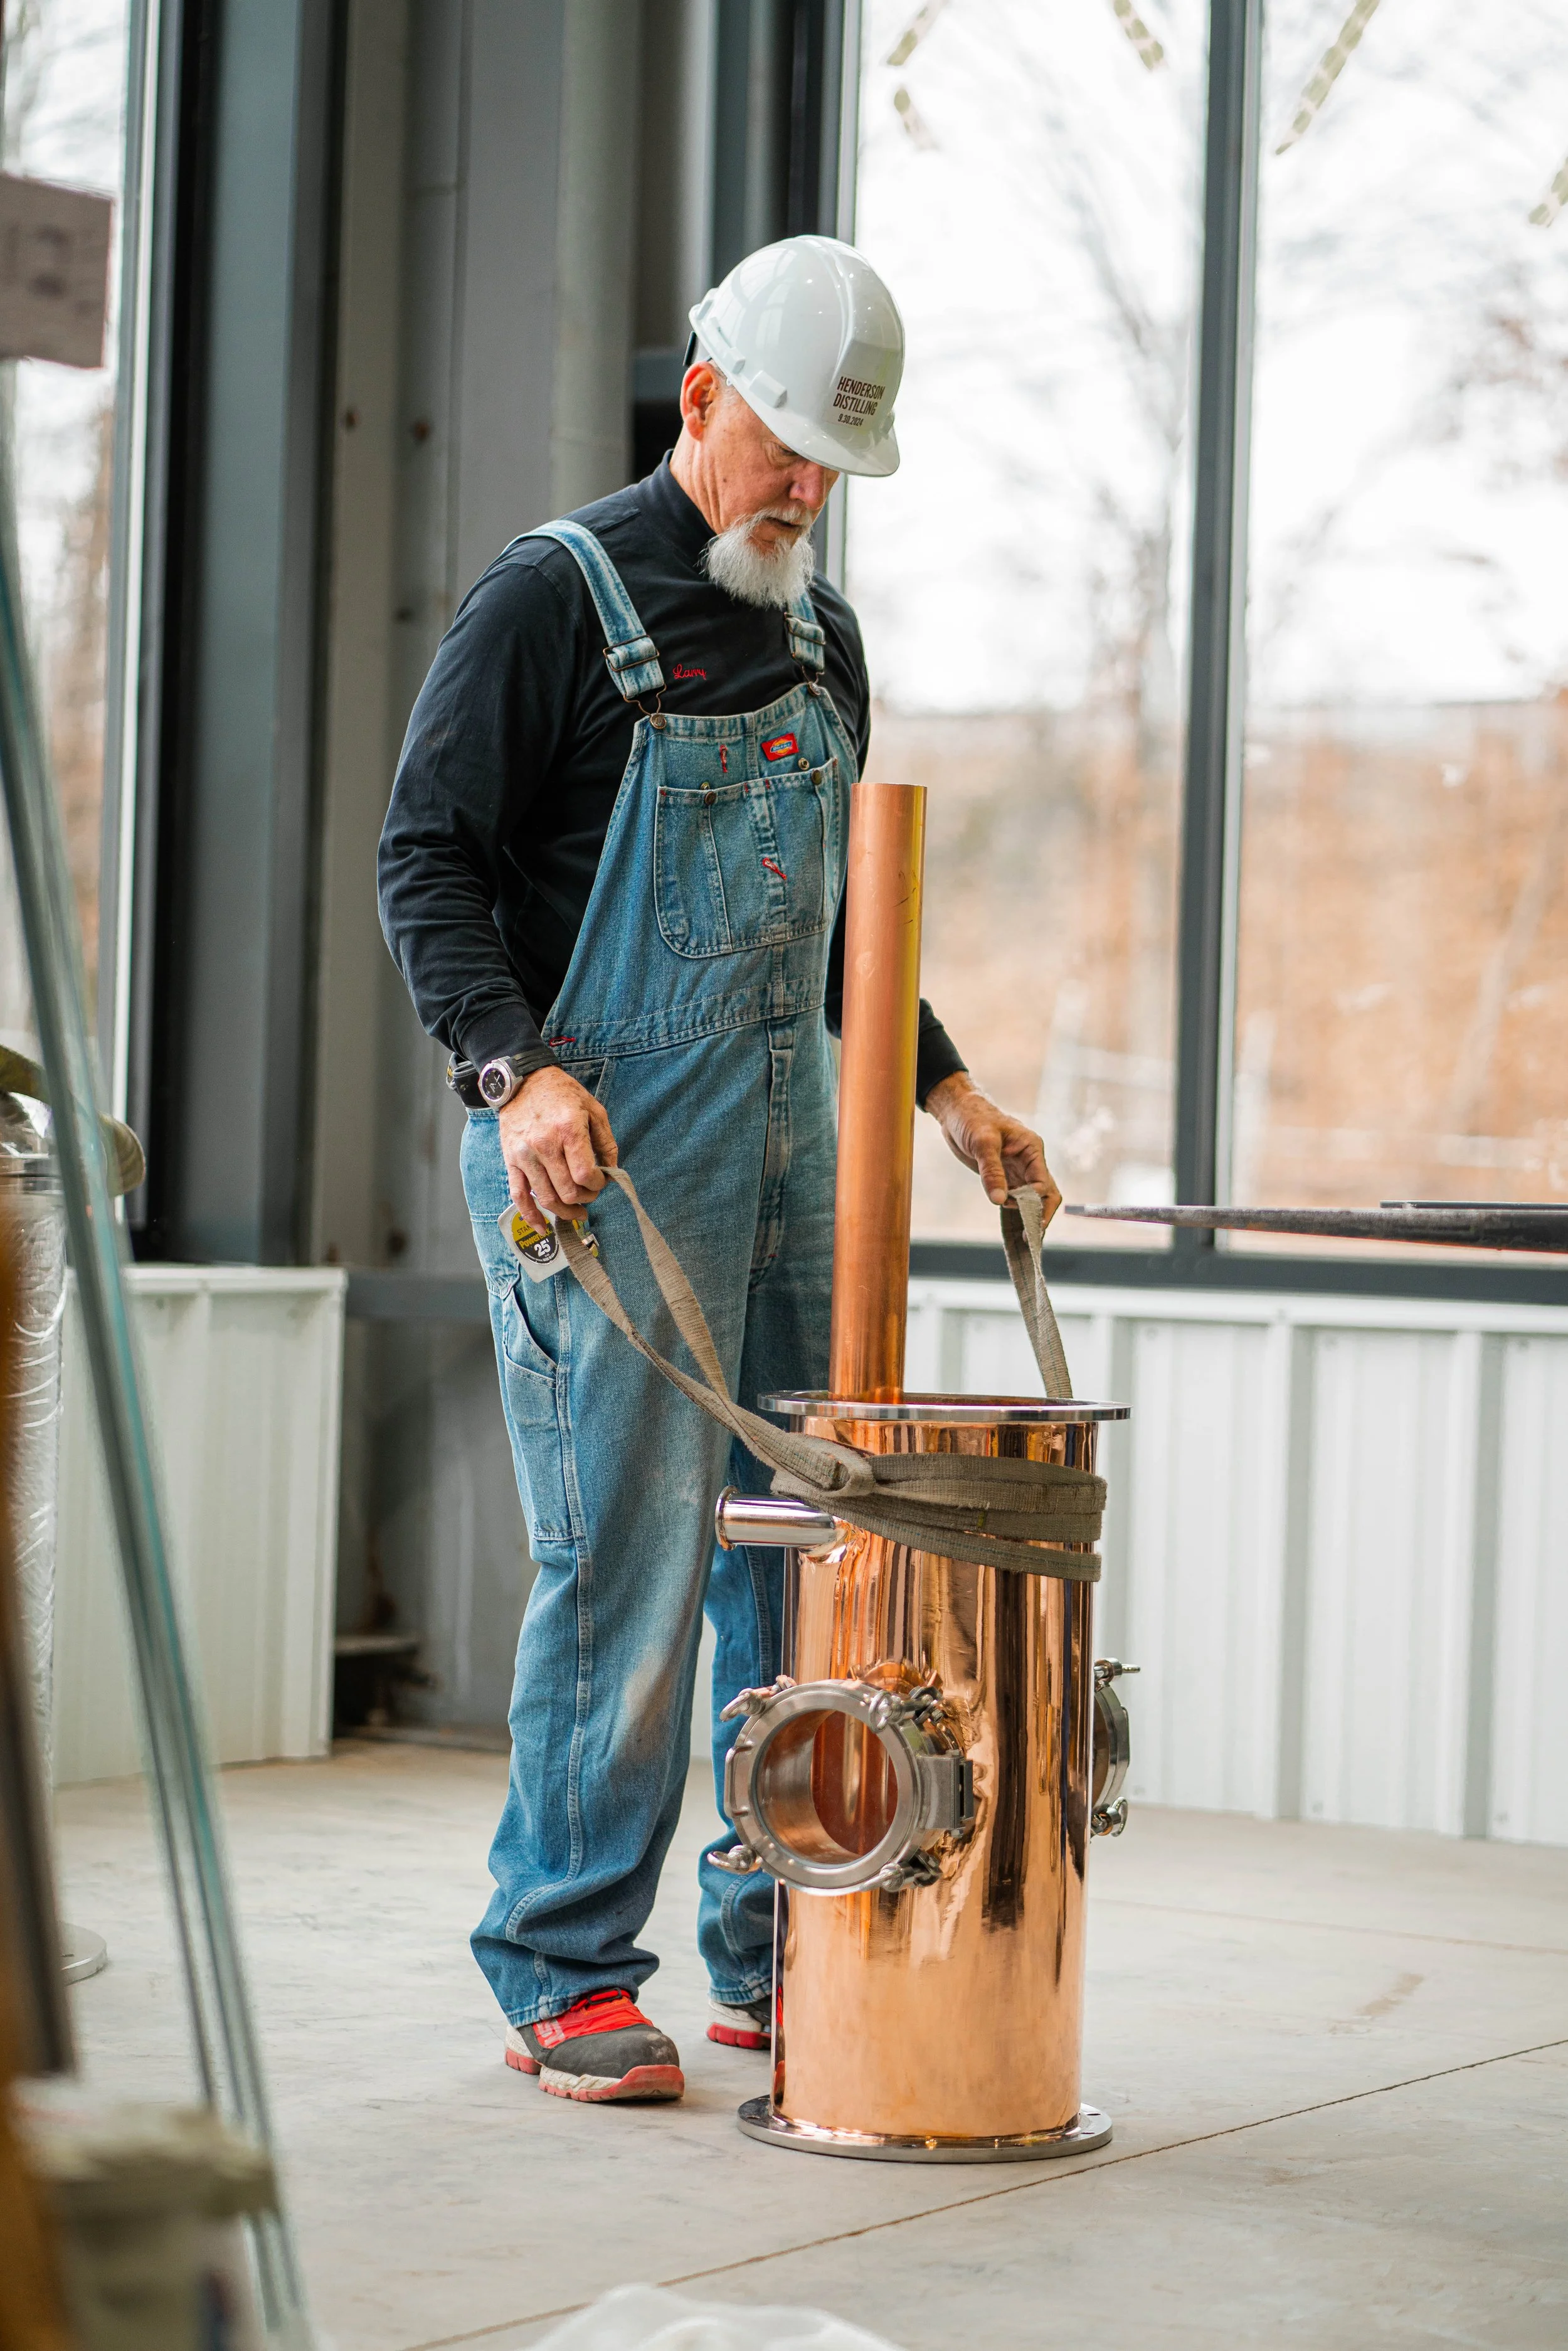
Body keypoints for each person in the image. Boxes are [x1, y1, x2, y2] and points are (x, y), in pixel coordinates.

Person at [378, 235, 1060, 2108]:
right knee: (625, 1566)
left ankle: (780, 1940)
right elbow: (424, 859)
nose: (807, 493)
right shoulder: (552, 600)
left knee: (805, 1558)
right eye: (782, 451)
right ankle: (563, 1960)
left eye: (839, 466)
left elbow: (834, 918)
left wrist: (945, 1088)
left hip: (790, 1149)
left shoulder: (824, 637)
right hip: (603, 1158)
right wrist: (510, 1075)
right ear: (700, 402)